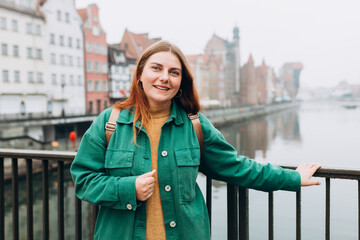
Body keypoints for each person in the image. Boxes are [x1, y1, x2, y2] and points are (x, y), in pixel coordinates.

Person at [70, 40, 321, 240]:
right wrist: (128, 189)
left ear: (180, 84)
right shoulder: (110, 122)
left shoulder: (194, 125)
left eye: (174, 72)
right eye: (156, 68)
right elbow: (83, 179)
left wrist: (292, 178)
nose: (164, 77)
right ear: (140, 75)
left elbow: (238, 167)